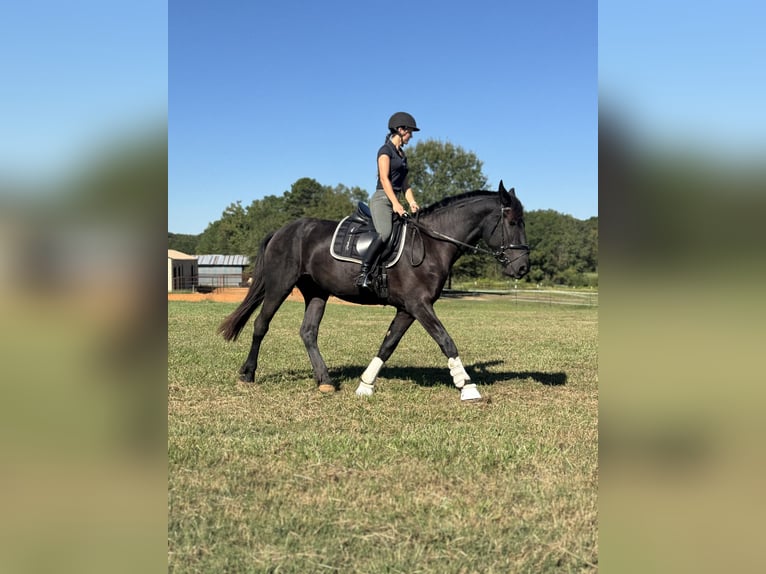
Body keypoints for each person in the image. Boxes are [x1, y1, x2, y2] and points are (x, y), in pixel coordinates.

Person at [356, 111, 421, 289]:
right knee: (384, 233)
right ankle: (364, 272)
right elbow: (384, 179)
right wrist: (396, 204)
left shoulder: (402, 155)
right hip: (383, 199)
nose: (411, 136)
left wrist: (412, 202)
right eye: (410, 132)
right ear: (400, 130)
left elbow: (405, 184)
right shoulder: (385, 151)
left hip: (396, 200)